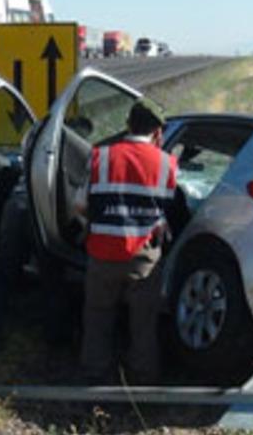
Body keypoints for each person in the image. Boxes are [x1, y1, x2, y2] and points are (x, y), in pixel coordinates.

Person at [76, 101, 178, 385]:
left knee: (98, 318)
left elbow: (79, 205)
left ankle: (95, 377)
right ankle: (143, 381)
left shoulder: (101, 156)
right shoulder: (167, 163)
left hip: (103, 253)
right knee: (143, 324)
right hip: (143, 258)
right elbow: (165, 209)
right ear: (157, 131)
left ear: (128, 124)